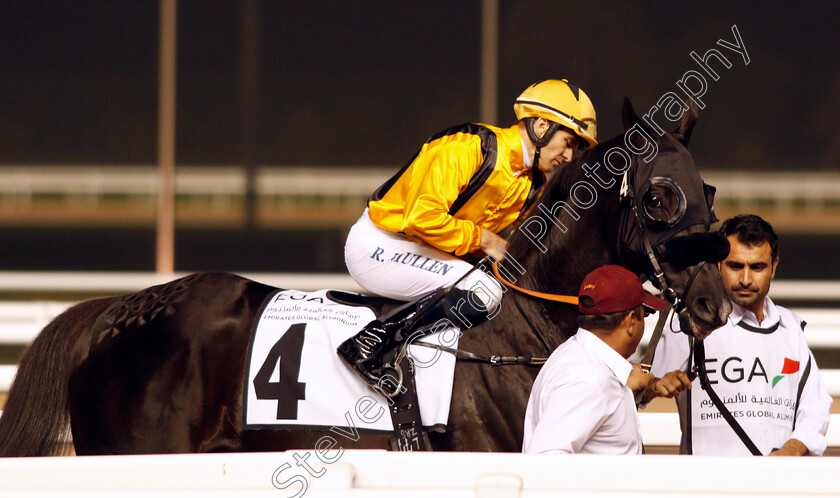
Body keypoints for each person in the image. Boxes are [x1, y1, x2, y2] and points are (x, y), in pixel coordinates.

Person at [338, 79, 598, 383]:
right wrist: (484, 239)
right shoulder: (467, 147)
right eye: (568, 143)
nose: (569, 157)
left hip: (425, 252)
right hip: (381, 243)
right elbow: (420, 219)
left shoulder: (534, 184)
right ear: (542, 126)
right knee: (484, 291)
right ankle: (372, 344)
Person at [646, 214, 832, 455]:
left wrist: (790, 452)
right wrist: (654, 386)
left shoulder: (791, 327)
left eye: (757, 267)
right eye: (736, 266)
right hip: (705, 487)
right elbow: (638, 388)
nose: (745, 279)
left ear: (774, 266)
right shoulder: (690, 325)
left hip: (777, 489)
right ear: (718, 264)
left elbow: (815, 409)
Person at [522, 264, 665, 454]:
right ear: (631, 321)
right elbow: (545, 458)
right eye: (644, 315)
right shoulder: (589, 379)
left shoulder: (577, 358)